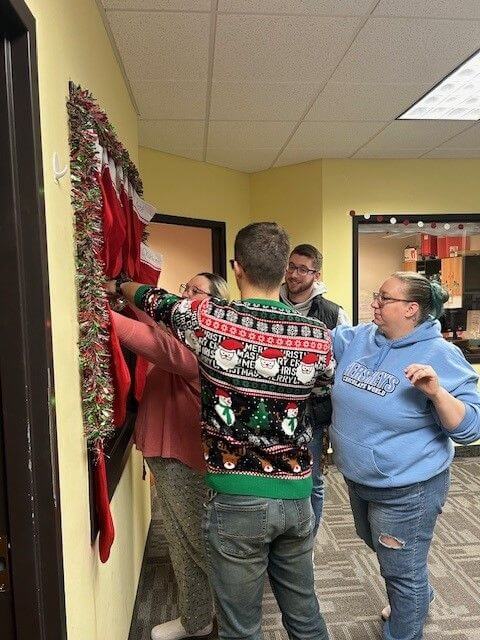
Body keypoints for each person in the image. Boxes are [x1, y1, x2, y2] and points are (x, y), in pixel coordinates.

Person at [109, 222, 333, 640]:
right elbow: (321, 389)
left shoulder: (208, 319)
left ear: (237, 268)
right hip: (298, 496)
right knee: (304, 615)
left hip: (238, 496)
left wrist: (121, 285)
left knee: (240, 626)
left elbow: (152, 299)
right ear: (285, 270)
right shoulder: (316, 334)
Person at [330, 271, 480, 640]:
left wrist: (436, 393)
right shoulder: (361, 337)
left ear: (412, 309)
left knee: (400, 571)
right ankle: (419, 593)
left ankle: (405, 625)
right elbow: (313, 337)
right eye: (376, 296)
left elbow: (471, 428)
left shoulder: (442, 356)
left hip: (407, 489)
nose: (374, 304)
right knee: (383, 550)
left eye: (384, 298)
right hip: (359, 478)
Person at [112, 272, 229, 640]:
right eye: (186, 288)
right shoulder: (183, 333)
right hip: (171, 455)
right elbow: (155, 322)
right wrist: (129, 296)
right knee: (183, 537)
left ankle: (214, 617)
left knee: (192, 540)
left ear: (212, 307)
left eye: (197, 292)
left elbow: (151, 340)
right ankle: (202, 616)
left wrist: (96, 311)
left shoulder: (200, 349)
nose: (186, 296)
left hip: (185, 458)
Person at [280, 244, 350, 538]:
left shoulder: (333, 313)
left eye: (302, 269)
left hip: (314, 411)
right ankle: (281, 538)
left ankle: (307, 541)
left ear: (316, 274)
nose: (294, 274)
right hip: (274, 407)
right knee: (278, 476)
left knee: (313, 480)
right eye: (291, 267)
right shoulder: (269, 301)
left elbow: (345, 363)